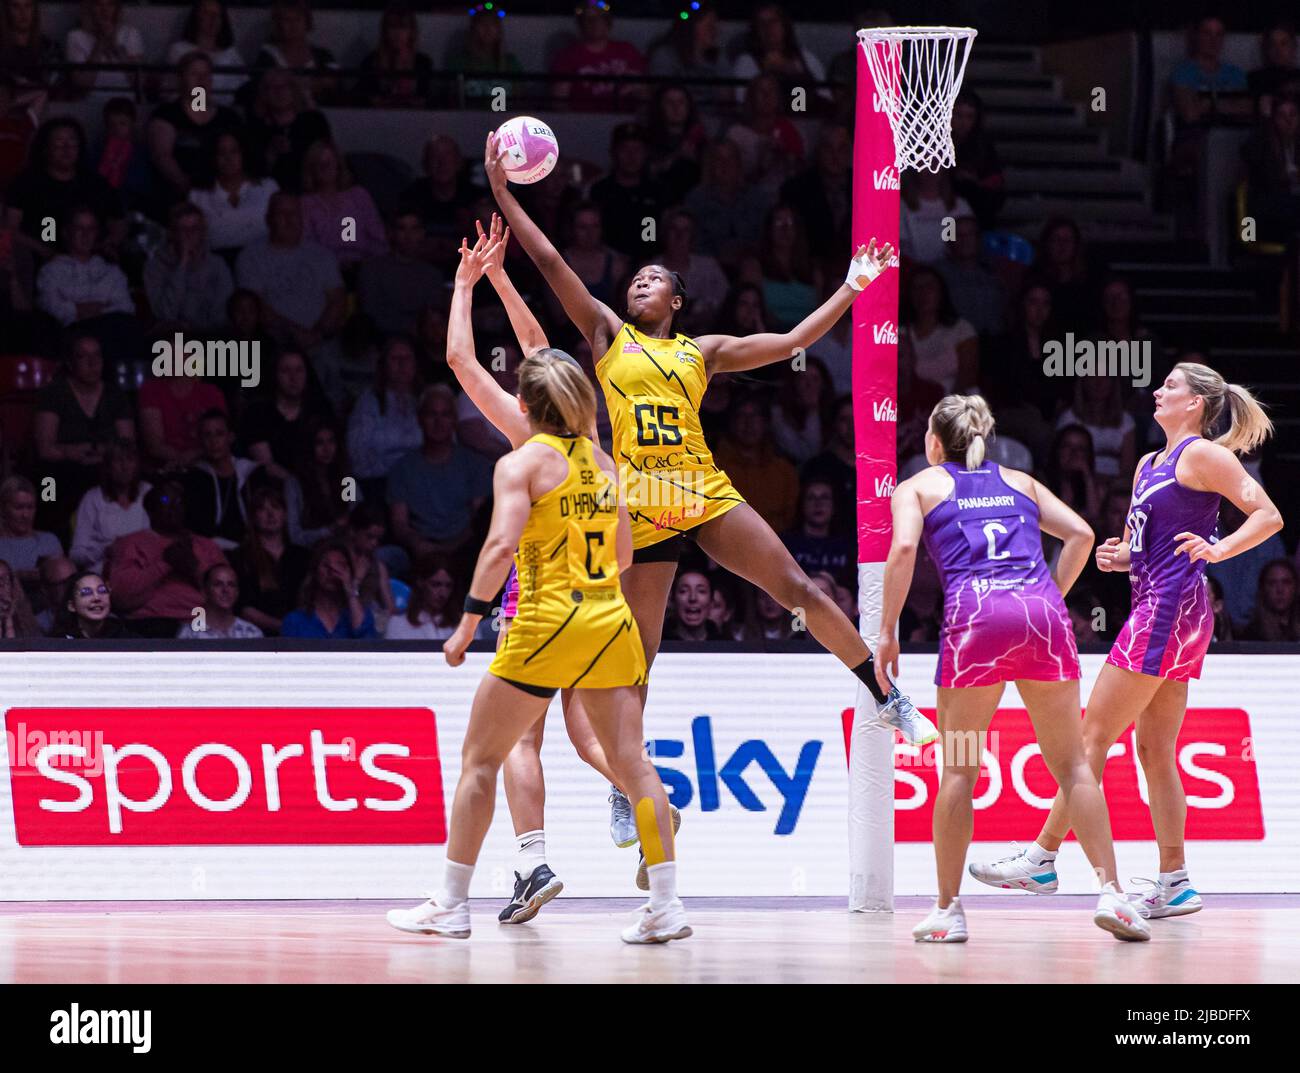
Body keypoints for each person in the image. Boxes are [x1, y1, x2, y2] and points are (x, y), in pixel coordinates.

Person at [487, 130, 934, 745]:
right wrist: (503, 192)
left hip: (701, 489)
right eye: (635, 278)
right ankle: (627, 777)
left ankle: (886, 697)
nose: (640, 283)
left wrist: (852, 287)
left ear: (678, 299)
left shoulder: (704, 350)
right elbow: (549, 262)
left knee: (797, 588)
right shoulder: (608, 334)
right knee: (639, 653)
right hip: (640, 501)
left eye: (653, 279)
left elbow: (792, 342)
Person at [383, 347, 689, 945]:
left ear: (522, 406)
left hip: (545, 623)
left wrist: (467, 625)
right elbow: (625, 555)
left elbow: (500, 547)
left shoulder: (520, 464)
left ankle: (451, 903)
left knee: (481, 759)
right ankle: (665, 907)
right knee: (634, 765)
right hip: (610, 622)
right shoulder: (605, 464)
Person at [969, 362, 1282, 924]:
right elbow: (1154, 547)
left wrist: (1219, 549)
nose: (1158, 390)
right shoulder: (1147, 463)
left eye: (1171, 385)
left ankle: (1041, 859)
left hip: (1168, 612)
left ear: (1195, 404)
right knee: (1154, 751)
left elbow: (1268, 515)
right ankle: (1175, 881)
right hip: (1168, 609)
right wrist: (1126, 559)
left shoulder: (1202, 454)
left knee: (1089, 737)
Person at [877, 393, 1147, 942]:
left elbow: (903, 549)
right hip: (1041, 618)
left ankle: (948, 910)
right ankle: (1113, 894)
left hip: (975, 624)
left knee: (959, 769)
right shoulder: (1021, 481)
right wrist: (1048, 598)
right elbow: (1082, 534)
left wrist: (887, 630)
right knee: (1073, 766)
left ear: (934, 442)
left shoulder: (918, 487)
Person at [444, 216, 645, 911]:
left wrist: (467, 284)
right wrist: (502, 277)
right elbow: (540, 351)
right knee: (590, 736)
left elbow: (462, 361)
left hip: (536, 604)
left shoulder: (524, 438)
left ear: (531, 399)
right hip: (601, 604)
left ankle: (531, 862)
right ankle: (641, 795)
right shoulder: (592, 441)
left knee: (516, 741)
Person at [33, 331, 134, 536]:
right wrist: (72, 453)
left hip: (105, 466)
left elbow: (127, 444)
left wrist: (99, 451)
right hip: (61, 468)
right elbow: (45, 449)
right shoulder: (54, 393)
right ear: (70, 363)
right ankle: (51, 537)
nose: (92, 363)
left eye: (97, 356)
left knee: (123, 473)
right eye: (83, 356)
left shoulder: (115, 395)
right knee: (47, 483)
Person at [106, 480, 228, 637]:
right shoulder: (130, 544)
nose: (173, 507)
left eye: (179, 501)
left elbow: (226, 595)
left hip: (200, 624)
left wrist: (194, 569)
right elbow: (119, 597)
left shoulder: (206, 546)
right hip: (147, 625)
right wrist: (164, 564)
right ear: (150, 510)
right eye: (165, 500)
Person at [385, 383, 491, 564]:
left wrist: (453, 548)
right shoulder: (402, 468)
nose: (438, 422)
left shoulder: (475, 464)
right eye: (431, 414)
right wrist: (420, 545)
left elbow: (479, 518)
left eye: (445, 414)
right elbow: (399, 523)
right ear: (420, 419)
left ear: (454, 420)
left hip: (465, 550)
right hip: (419, 552)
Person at [148, 51, 243, 203]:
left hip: (224, 192)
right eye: (194, 74)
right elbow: (162, 156)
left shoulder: (228, 117)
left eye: (206, 74)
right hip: (181, 194)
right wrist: (191, 190)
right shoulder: (166, 114)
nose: (201, 79)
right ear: (181, 79)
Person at [346, 335, 423, 502]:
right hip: (380, 484)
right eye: (395, 358)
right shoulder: (369, 402)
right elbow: (358, 454)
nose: (402, 364)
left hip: (423, 483)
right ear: (384, 365)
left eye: (407, 358)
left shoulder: (425, 400)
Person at [228, 483, 308, 636]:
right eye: (262, 509)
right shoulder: (240, 556)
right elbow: (243, 607)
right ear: (253, 517)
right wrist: (284, 627)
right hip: (256, 636)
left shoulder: (302, 556)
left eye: (275, 507)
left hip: (301, 634)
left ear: (285, 514)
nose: (270, 514)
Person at [143, 201, 234, 334]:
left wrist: (197, 329)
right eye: (183, 229)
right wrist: (182, 265)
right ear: (173, 233)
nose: (189, 234)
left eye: (195, 228)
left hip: (211, 335)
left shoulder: (217, 265)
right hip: (172, 337)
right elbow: (165, 313)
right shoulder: (155, 267)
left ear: (203, 232)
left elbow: (223, 313)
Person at [299, 139, 388, 268]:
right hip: (325, 269)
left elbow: (378, 239)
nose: (325, 168)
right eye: (320, 164)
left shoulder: (358, 196)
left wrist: (370, 263)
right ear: (312, 169)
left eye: (329, 163)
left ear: (338, 166)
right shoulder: (305, 204)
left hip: (364, 266)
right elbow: (307, 246)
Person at [182, 409, 263, 549]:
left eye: (219, 434)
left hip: (251, 549)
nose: (213, 441)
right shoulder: (196, 478)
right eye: (207, 435)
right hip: (211, 550)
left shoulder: (251, 473)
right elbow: (198, 528)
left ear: (230, 437)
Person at [189, 131, 279, 258]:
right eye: (221, 152)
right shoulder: (198, 195)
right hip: (217, 262)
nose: (228, 158)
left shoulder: (268, 187)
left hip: (264, 259)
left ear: (243, 154)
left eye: (234, 151)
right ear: (213, 157)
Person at [243, 68, 331, 193]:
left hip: (312, 188)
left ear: (294, 90)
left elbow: (329, 156)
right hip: (272, 192)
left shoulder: (314, 121)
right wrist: (271, 153)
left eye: (284, 86)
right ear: (264, 94)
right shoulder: (256, 128)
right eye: (272, 88)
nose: (279, 92)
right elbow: (252, 173)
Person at [358, 210, 444, 336]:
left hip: (423, 340)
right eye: (402, 229)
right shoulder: (372, 269)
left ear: (422, 233)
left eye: (414, 229)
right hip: (382, 339)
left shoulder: (433, 275)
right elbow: (371, 315)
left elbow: (434, 317)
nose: (408, 236)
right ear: (392, 233)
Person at [70, 437, 150, 573]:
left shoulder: (148, 492)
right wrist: (105, 551)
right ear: (108, 467)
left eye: (130, 460)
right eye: (118, 460)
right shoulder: (92, 499)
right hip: (104, 573)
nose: (125, 466)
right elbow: (76, 555)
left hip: (143, 572)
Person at [549, 1, 646, 113]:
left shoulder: (627, 50)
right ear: (581, 24)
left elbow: (643, 91)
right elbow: (559, 100)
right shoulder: (567, 56)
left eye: (600, 18)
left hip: (625, 118)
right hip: (583, 118)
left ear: (608, 22)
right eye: (589, 19)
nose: (595, 23)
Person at [900, 264, 978, 394]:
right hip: (914, 402)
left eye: (929, 287)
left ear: (941, 292)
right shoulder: (899, 332)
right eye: (916, 288)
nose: (923, 293)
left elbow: (968, 376)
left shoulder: (962, 329)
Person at [280, 539, 377, 638]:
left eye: (341, 565)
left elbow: (367, 639)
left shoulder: (361, 614)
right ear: (315, 572)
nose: (333, 571)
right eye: (326, 565)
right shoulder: (295, 621)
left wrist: (351, 591)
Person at [356, 3, 432, 109]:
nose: (397, 33)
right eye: (392, 27)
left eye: (403, 27)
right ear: (385, 31)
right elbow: (369, 101)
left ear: (411, 31)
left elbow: (424, 100)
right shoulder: (370, 62)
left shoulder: (423, 63)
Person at [782, 479, 853, 588]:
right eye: (811, 498)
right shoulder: (785, 544)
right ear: (802, 505)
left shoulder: (848, 546)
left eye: (825, 497)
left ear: (834, 506)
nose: (818, 504)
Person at [949, 90, 1005, 229]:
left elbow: (996, 188)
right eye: (959, 116)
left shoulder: (984, 148)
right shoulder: (937, 146)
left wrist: (975, 182)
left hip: (977, 215)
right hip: (945, 213)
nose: (963, 123)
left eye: (969, 117)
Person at [167, 0, 245, 99]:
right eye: (207, 13)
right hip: (187, 105)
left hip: (222, 106)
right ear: (196, 17)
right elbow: (170, 89)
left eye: (218, 15)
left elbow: (243, 88)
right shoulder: (179, 50)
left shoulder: (231, 54)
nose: (213, 18)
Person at [65, 0, 144, 96]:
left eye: (110, 4)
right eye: (98, 4)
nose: (105, 10)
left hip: (124, 100)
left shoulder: (131, 34)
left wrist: (116, 46)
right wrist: (100, 43)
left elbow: (138, 82)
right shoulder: (75, 36)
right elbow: (81, 84)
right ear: (90, 8)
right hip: (90, 102)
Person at [0, 475, 63, 594]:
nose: (25, 515)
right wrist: (20, 576)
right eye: (19, 508)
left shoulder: (49, 541)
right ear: (3, 509)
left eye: (30, 508)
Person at [900, 169, 974, 265]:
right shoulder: (901, 206)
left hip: (952, 270)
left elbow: (969, 244)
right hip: (913, 269)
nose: (931, 170)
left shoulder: (960, 205)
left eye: (936, 163)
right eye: (924, 164)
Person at [176, 561, 263, 638]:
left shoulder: (251, 633)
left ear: (237, 592)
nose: (225, 590)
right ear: (204, 591)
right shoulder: (190, 634)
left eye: (231, 585)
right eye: (218, 584)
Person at [384, 554, 456, 640]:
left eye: (448, 586)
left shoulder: (462, 625)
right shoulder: (398, 624)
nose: (443, 594)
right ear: (421, 583)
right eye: (436, 585)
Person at [58, 569, 132, 638]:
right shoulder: (60, 640)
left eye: (102, 590)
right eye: (87, 592)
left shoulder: (127, 638)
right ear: (72, 606)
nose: (97, 598)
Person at [1240, 558, 1300, 641]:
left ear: (1296, 587)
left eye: (1286, 582)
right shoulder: (1252, 634)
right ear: (1263, 589)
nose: (1280, 590)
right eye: (1272, 583)